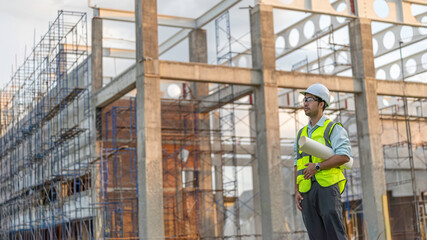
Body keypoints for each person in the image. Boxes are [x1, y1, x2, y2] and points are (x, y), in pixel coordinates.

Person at [294, 83, 351, 240]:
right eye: (304, 99)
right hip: (306, 190)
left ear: (321, 104)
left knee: (335, 235)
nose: (305, 103)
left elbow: (344, 156)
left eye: (310, 99)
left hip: (327, 187)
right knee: (316, 236)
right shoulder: (301, 134)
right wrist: (297, 190)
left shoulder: (333, 128)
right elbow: (296, 162)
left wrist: (317, 167)